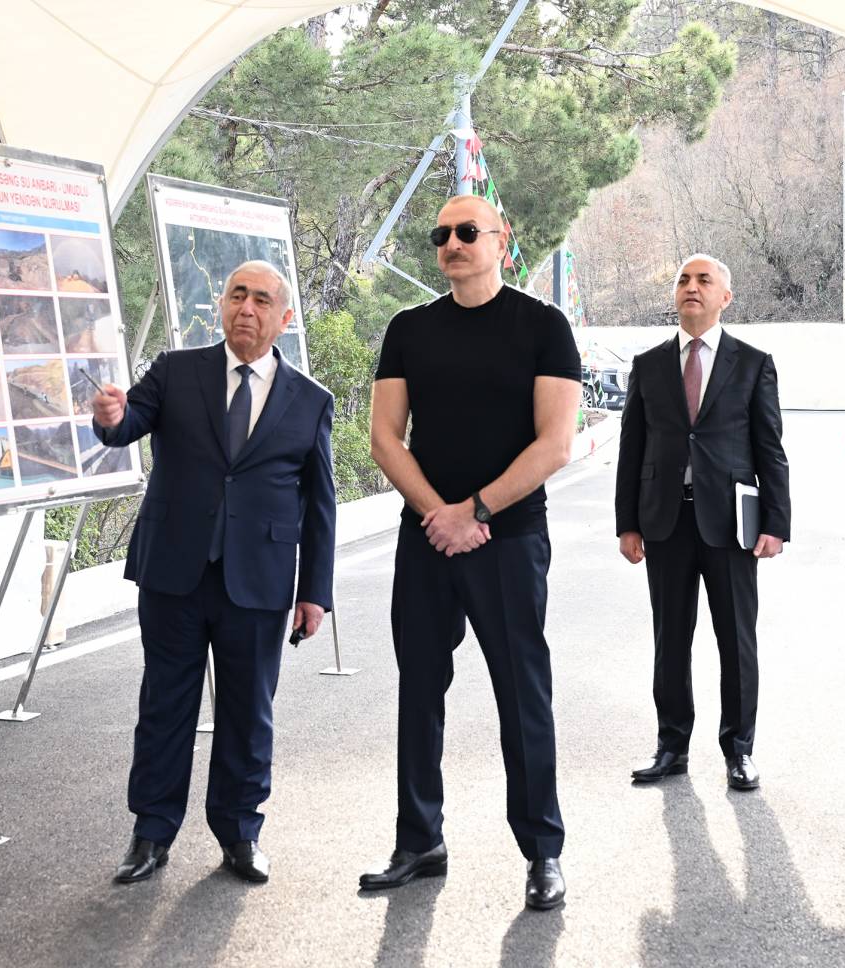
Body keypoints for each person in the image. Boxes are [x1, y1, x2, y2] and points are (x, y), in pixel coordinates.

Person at [360, 194, 581, 911]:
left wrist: (478, 511)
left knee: (523, 697)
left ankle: (543, 852)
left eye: (466, 232)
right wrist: (440, 515)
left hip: (509, 540)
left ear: (501, 239)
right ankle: (418, 839)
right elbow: (385, 438)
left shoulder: (544, 328)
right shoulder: (408, 330)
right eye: (441, 236)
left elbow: (555, 442)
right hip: (426, 538)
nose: (451, 243)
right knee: (419, 692)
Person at [90, 260, 336, 886]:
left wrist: (315, 593)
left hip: (259, 581)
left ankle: (240, 832)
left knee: (248, 711)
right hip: (174, 572)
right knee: (164, 705)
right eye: (235, 295)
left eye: (261, 300)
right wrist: (111, 417)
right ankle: (150, 834)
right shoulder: (176, 372)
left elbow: (321, 505)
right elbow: (125, 428)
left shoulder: (310, 401)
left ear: (284, 318)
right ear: (221, 305)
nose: (245, 308)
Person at [614, 254, 791, 791]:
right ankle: (672, 746)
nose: (691, 288)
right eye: (683, 280)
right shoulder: (647, 365)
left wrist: (776, 523)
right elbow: (632, 449)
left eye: (703, 280)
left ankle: (739, 750)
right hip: (665, 521)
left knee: (736, 639)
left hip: (730, 523)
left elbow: (770, 448)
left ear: (724, 297)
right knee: (671, 638)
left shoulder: (753, 362)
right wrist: (627, 523)